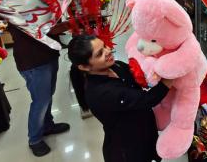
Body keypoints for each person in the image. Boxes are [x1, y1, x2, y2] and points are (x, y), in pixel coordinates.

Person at [68, 34, 172, 162]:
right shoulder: (101, 93)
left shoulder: (116, 66)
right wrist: (170, 78)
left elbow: (140, 75)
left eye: (105, 46)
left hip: (142, 128)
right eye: (100, 53)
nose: (108, 51)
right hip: (128, 146)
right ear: (84, 67)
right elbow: (147, 99)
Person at [8, 23, 71, 157]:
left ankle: (47, 125)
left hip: (48, 54)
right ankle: (34, 140)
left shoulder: (36, 2)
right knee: (40, 101)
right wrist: (75, 22)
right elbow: (45, 28)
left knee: (47, 95)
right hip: (33, 60)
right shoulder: (16, 6)